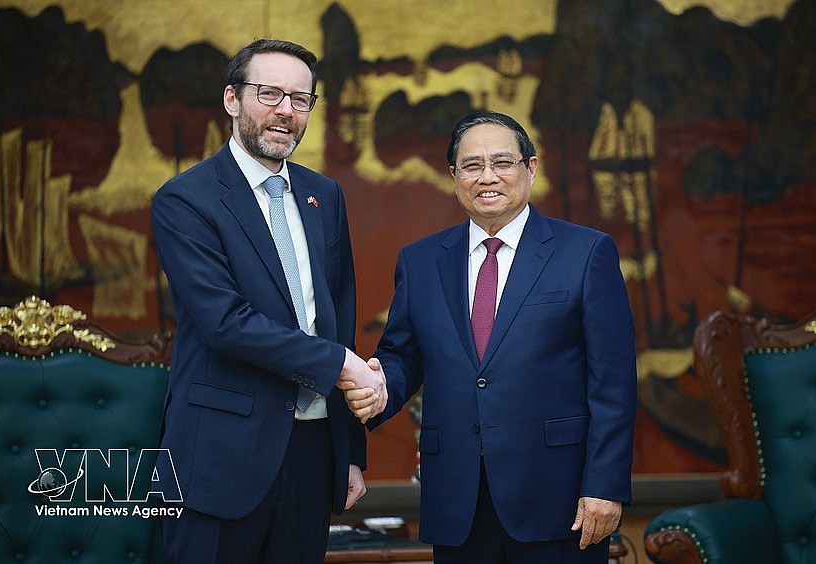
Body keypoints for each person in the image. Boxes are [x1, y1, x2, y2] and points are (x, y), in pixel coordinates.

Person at [346, 111, 637, 563]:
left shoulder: (586, 252)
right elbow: (403, 356)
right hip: (458, 498)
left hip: (558, 497)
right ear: (453, 175)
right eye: (472, 165)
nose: (488, 177)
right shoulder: (421, 261)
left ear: (531, 169)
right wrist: (378, 388)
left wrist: (604, 486)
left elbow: (613, 382)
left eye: (502, 163)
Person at [151, 38, 386, 563]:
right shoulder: (186, 199)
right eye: (270, 94)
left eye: (301, 100)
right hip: (218, 455)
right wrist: (341, 364)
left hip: (311, 452)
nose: (286, 111)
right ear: (232, 100)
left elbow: (337, 319)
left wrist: (347, 452)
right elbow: (224, 322)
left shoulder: (323, 194)